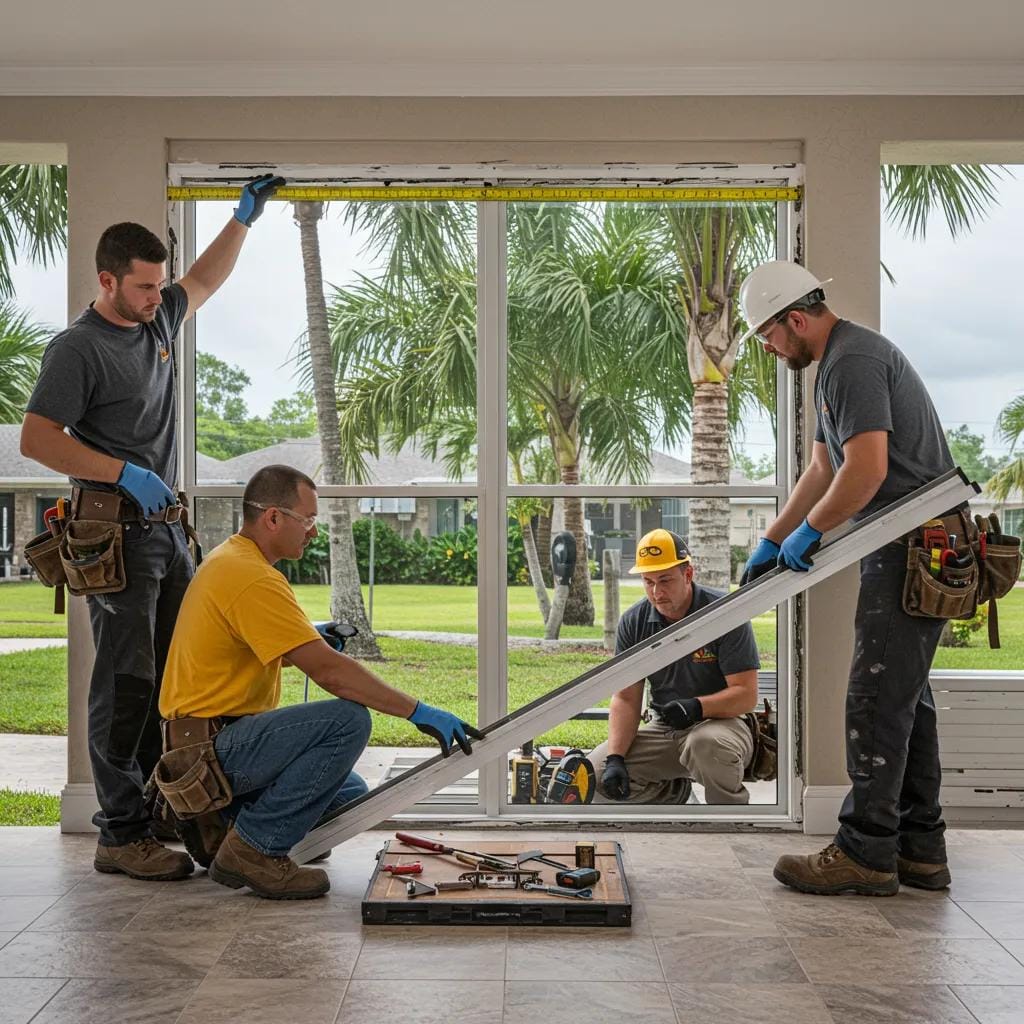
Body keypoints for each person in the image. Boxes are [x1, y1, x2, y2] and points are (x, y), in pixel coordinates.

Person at [20, 175, 285, 881]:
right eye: (141, 288)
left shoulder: (158, 318)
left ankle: (170, 810)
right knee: (126, 683)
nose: (155, 297)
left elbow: (204, 280)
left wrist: (243, 219)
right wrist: (118, 472)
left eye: (156, 286)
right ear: (106, 281)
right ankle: (119, 833)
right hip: (120, 538)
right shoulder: (77, 350)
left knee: (180, 682)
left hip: (169, 534)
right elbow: (37, 440)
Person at [158, 464, 481, 899]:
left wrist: (309, 635)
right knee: (347, 720)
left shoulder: (233, 561)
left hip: (208, 746)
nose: (313, 531)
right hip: (208, 753)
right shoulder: (251, 576)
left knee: (348, 793)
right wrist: (418, 711)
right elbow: (329, 673)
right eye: (308, 519)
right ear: (273, 518)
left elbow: (256, 646)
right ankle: (252, 849)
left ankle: (229, 829)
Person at [738, 259, 956, 896]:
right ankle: (920, 851)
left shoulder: (852, 361)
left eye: (770, 337)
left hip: (913, 543)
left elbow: (864, 471)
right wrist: (776, 537)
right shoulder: (833, 367)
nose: (772, 349)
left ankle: (866, 853)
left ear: (796, 319)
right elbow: (821, 470)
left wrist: (813, 532)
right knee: (906, 700)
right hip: (905, 541)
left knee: (876, 699)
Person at [589, 529, 760, 805]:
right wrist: (616, 758)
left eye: (665, 580)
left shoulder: (724, 613)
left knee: (705, 744)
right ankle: (672, 792)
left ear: (688, 575)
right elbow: (625, 697)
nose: (657, 592)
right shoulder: (634, 622)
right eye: (649, 582)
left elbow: (746, 695)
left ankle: (730, 815)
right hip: (665, 728)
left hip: (722, 725)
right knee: (594, 777)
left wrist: (697, 706)